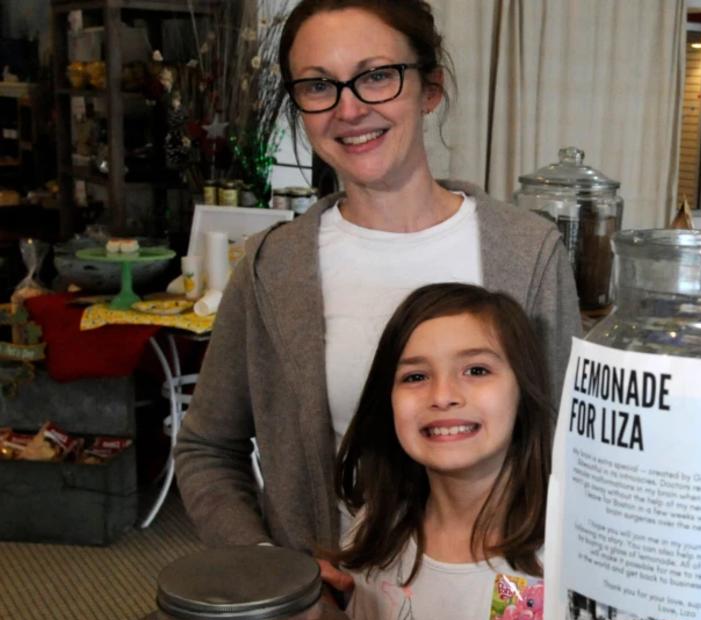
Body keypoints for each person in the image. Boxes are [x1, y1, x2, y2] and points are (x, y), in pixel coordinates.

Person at [173, 0, 580, 565]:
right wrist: (270, 568)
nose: (349, 109)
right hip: (328, 605)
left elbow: (573, 448)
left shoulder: (528, 253)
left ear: (429, 88)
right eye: (319, 86)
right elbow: (207, 448)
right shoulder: (272, 268)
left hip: (498, 600)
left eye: (377, 76)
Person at [333, 283, 550, 620]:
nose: (443, 395)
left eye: (476, 370)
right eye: (415, 377)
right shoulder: (375, 535)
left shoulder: (550, 562)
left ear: (523, 390)